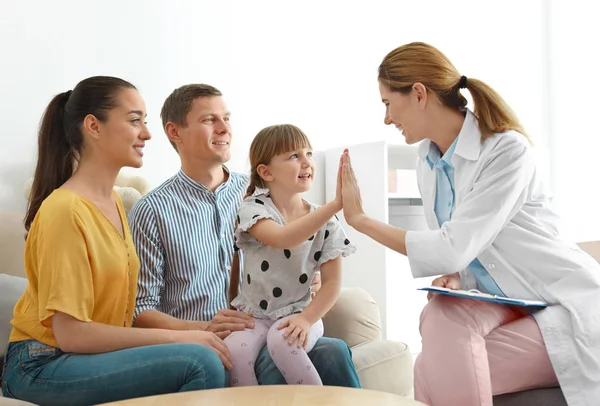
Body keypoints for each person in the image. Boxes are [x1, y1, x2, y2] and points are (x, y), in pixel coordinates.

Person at [338, 42, 600, 406]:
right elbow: (469, 250)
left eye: (386, 103)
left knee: (431, 372)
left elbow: (451, 247)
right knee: (441, 313)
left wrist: (361, 220)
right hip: (508, 302)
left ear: (417, 94)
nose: (386, 118)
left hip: (560, 306)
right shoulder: (426, 161)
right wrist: (459, 276)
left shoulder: (508, 151)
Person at [1, 76, 230, 406]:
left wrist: (203, 329)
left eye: (145, 121)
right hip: (41, 363)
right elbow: (72, 333)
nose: (147, 133)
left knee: (214, 353)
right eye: (135, 120)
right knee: (199, 361)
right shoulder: (64, 211)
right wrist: (179, 337)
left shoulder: (113, 204)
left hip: (85, 356)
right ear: (93, 126)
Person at [128, 84, 361, 387]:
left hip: (275, 325)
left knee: (333, 350)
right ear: (175, 132)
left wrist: (307, 273)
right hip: (207, 345)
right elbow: (140, 311)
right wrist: (203, 328)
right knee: (311, 356)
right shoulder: (152, 210)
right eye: (209, 120)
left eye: (227, 118)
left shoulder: (263, 193)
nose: (225, 128)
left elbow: (301, 246)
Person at [225, 124, 356, 386]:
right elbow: (284, 239)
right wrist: (334, 205)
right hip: (255, 316)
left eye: (309, 153)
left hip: (301, 312)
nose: (307, 162)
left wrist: (307, 320)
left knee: (284, 341)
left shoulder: (327, 223)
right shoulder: (253, 209)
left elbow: (332, 284)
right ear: (266, 172)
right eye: (294, 156)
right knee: (235, 352)